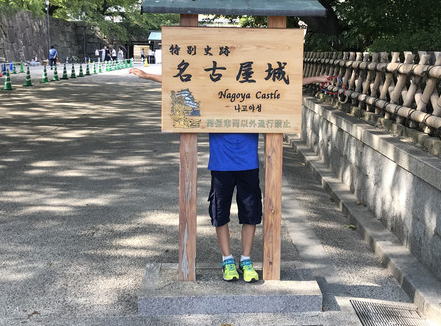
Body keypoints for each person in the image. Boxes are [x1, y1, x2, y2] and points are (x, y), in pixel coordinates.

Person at [128, 66, 328, 282]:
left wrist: (317, 78)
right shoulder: (213, 90)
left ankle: (246, 259)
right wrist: (147, 76)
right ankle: (227, 260)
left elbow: (283, 86)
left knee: (250, 213)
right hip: (221, 165)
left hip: (248, 164)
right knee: (219, 213)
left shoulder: (253, 90)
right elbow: (181, 84)